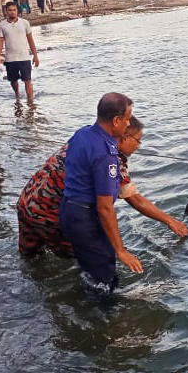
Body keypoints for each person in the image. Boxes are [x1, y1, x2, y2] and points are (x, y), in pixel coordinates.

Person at [18, 115, 187, 258]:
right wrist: (170, 221)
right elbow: (135, 200)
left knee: (31, 258)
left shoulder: (85, 137)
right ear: (124, 137)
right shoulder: (109, 159)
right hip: (50, 216)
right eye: (138, 141)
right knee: (93, 259)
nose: (139, 146)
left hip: (26, 203)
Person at [58, 93, 142, 294]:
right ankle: (104, 320)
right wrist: (121, 251)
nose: (129, 122)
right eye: (127, 118)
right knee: (105, 276)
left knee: (89, 266)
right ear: (116, 120)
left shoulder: (83, 133)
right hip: (85, 217)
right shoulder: (106, 154)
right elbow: (105, 208)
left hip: (68, 209)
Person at [0, 1, 39, 104]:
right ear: (6, 11)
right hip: (10, 58)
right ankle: (17, 96)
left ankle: (31, 102)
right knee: (13, 80)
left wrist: (35, 56)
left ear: (17, 11)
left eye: (14, 10)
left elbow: (30, 40)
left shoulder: (25, 23)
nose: (12, 12)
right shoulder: (2, 25)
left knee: (27, 80)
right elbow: (0, 42)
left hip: (24, 57)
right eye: (10, 10)